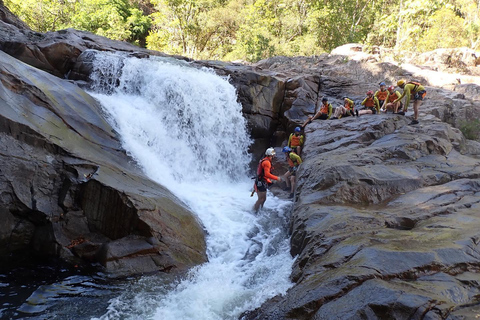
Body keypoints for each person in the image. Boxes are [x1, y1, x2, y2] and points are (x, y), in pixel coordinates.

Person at [253, 147, 282, 212]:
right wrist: (277, 178)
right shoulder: (266, 162)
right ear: (271, 155)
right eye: (273, 154)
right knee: (261, 199)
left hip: (262, 181)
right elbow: (267, 174)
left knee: (264, 198)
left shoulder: (266, 160)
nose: (274, 155)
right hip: (260, 181)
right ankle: (254, 211)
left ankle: (260, 209)